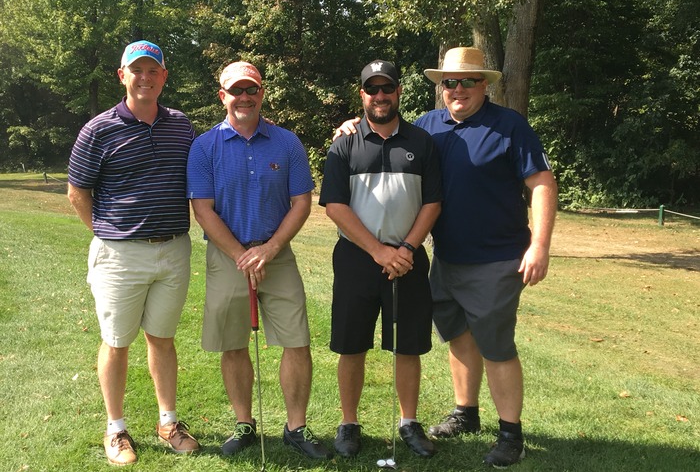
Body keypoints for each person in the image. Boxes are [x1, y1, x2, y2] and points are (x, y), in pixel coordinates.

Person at [334, 47, 558, 468]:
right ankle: (466, 412)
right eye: (449, 82)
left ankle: (510, 434)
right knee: (458, 335)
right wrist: (350, 126)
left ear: (484, 84)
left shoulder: (509, 126)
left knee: (496, 346)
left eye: (468, 81)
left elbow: (542, 183)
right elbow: (385, 131)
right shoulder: (428, 127)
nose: (458, 89)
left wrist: (540, 245)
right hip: (445, 258)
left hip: (496, 258)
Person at [186, 61, 332, 460]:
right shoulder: (204, 147)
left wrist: (269, 249)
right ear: (223, 96)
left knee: (297, 341)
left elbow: (301, 202)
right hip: (227, 256)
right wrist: (241, 255)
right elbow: (202, 209)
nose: (244, 97)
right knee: (233, 343)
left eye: (251, 89)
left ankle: (296, 427)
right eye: (236, 91)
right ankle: (244, 423)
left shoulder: (287, 143)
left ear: (262, 93)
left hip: (277, 255)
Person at [67, 40, 200, 466]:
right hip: (119, 255)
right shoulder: (98, 129)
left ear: (164, 76)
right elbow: (77, 192)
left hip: (173, 250)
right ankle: (116, 428)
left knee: (162, 339)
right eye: (136, 70)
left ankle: (168, 423)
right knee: (117, 341)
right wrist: (108, 234)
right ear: (122, 75)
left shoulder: (180, 125)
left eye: (152, 70)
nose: (145, 77)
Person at [319, 60, 443, 459]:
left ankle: (409, 422)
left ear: (398, 92)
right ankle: (348, 423)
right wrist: (378, 251)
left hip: (408, 258)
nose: (380, 96)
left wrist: (405, 249)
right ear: (362, 95)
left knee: (408, 346)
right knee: (351, 344)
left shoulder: (422, 142)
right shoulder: (344, 144)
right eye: (372, 89)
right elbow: (334, 205)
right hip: (357, 258)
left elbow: (433, 202)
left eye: (387, 88)